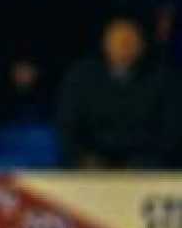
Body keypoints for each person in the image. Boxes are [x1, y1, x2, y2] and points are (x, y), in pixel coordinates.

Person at [57, 15, 182, 169]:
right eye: (118, 41)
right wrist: (84, 158)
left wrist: (146, 161)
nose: (124, 46)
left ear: (142, 45)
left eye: (130, 41)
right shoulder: (80, 78)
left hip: (147, 167)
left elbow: (171, 131)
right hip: (92, 166)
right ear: (105, 44)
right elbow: (67, 127)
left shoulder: (164, 79)